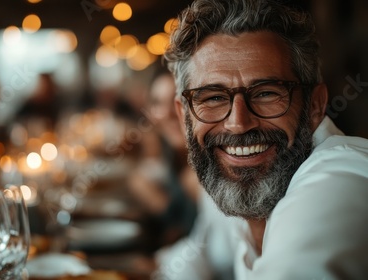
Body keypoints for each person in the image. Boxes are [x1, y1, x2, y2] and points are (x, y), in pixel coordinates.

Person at [156, 0, 368, 279]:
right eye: (214, 98)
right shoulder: (242, 193)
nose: (238, 123)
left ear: (315, 105)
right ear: (184, 116)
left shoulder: (341, 176)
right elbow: (198, 255)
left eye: (266, 93)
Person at [128, 69, 199, 247]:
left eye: (179, 100)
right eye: (158, 103)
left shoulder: (208, 172)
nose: (168, 113)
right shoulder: (175, 155)